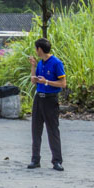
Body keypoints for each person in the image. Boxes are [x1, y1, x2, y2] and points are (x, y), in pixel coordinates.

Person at [28, 38, 67, 171]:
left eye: (36, 49)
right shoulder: (40, 63)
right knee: (36, 129)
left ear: (39, 49)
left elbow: (63, 84)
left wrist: (47, 82)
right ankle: (35, 159)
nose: (36, 51)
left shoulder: (56, 63)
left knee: (53, 130)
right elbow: (34, 82)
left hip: (51, 99)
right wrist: (33, 67)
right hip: (39, 98)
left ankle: (57, 161)